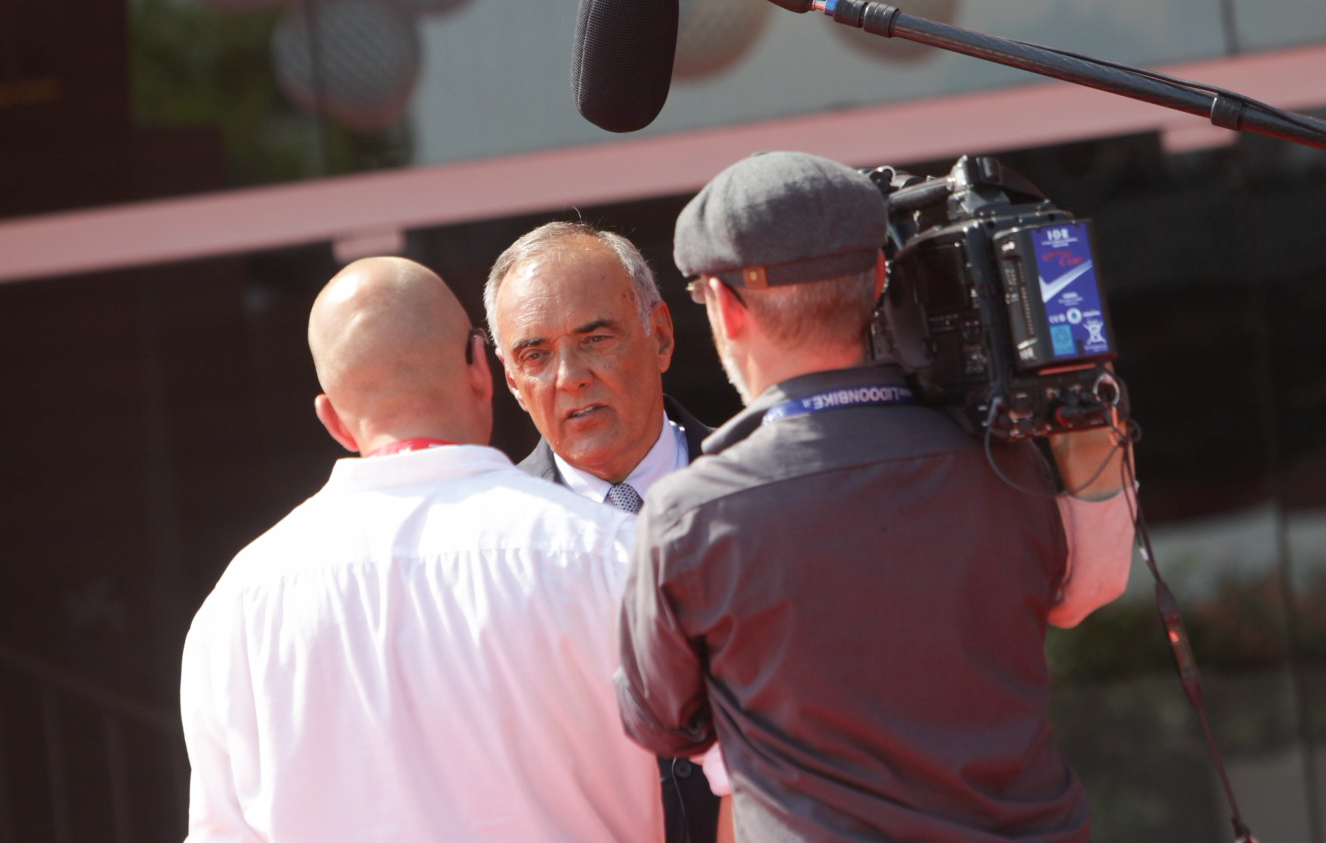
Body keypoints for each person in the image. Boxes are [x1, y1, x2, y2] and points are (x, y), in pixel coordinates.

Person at [615, 152, 1137, 842]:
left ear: (727, 307)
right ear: (880, 278)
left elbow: (660, 721)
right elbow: (1085, 585)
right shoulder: (1002, 459)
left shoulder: (691, 515)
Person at [179, 256, 662, 842]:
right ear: (483, 371)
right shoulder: (609, 552)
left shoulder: (238, 605)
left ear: (333, 421)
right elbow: (740, 780)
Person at [484, 221, 723, 842]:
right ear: (511, 381)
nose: (569, 376)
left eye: (595, 338)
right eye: (534, 355)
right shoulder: (488, 550)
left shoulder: (763, 486)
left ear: (661, 336)